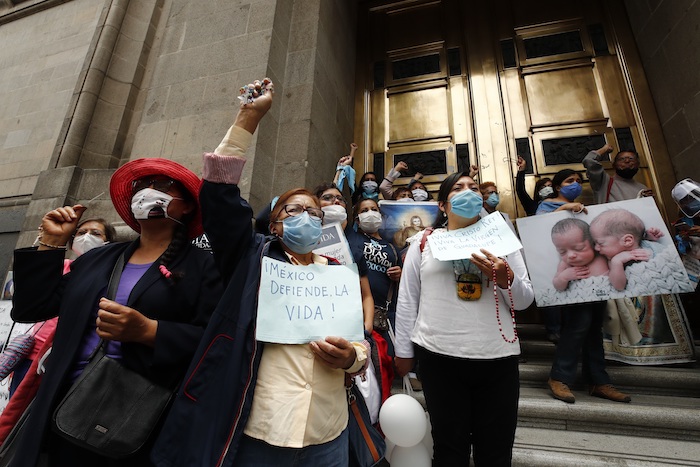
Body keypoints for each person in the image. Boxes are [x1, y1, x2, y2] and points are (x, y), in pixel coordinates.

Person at [152, 80, 368, 466]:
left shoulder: (339, 273)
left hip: (329, 434)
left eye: (315, 213)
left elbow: (359, 348)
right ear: (274, 226)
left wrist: (350, 358)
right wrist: (248, 118)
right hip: (261, 433)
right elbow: (219, 197)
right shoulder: (250, 258)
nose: (306, 217)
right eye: (293, 211)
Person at [10, 159, 223, 466]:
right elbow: (32, 307)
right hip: (61, 399)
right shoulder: (98, 259)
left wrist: (150, 331)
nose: (147, 192)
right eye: (140, 186)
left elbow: (215, 342)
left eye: (162, 186)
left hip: (131, 415)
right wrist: (51, 244)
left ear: (187, 206)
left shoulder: (204, 267)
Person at [394, 172, 534, 466]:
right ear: (443, 206)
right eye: (458, 188)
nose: (468, 192)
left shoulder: (503, 242)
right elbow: (408, 300)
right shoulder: (423, 242)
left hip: (497, 358)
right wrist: (404, 353)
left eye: (473, 187)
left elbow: (524, 300)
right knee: (449, 449)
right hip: (439, 357)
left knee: (495, 451)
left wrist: (504, 279)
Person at [538, 169, 631, 405]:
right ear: (558, 186)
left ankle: (597, 380)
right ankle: (559, 377)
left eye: (579, 181)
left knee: (593, 331)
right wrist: (564, 210)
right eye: (570, 181)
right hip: (573, 287)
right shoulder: (548, 206)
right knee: (576, 327)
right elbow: (538, 228)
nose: (576, 185)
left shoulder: (586, 212)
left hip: (596, 283)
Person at [348, 198, 402, 403]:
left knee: (385, 370)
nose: (370, 213)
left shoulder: (392, 247)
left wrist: (400, 274)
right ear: (357, 218)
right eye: (364, 210)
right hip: (356, 313)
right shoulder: (352, 240)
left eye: (374, 209)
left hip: (383, 317)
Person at [314, 181, 375, 333]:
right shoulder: (305, 240)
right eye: (327, 198)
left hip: (348, 324)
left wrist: (367, 327)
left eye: (340, 199)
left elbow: (366, 294)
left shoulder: (355, 244)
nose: (336, 201)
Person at [589, 209, 661, 290]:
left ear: (627, 241)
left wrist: (648, 238)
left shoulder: (649, 247)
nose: (596, 248)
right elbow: (619, 287)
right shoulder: (613, 260)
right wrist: (616, 262)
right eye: (595, 244)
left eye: (600, 243)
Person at [550, 218, 609, 291]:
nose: (570, 255)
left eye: (578, 248)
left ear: (592, 244)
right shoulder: (565, 264)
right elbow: (558, 287)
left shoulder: (602, 255)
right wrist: (563, 278)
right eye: (562, 252)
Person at [583, 143, 652, 204]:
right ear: (614, 165)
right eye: (622, 159)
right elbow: (589, 161)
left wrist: (647, 200)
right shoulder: (603, 182)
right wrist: (605, 149)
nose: (627, 161)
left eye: (631, 159)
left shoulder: (642, 188)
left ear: (638, 164)